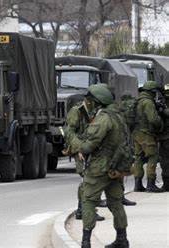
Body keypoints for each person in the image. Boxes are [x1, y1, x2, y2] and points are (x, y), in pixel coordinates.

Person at [70, 84, 129, 248]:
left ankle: (86, 242)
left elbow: (89, 144)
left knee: (88, 201)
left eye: (91, 101)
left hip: (99, 168)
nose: (89, 104)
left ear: (97, 102)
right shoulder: (119, 116)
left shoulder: (103, 118)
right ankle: (122, 239)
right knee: (116, 202)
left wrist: (78, 145)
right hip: (116, 167)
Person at [64, 103, 105, 221]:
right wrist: (78, 150)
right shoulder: (77, 111)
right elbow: (70, 133)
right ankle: (85, 210)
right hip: (81, 150)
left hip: (88, 150)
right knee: (87, 181)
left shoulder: (91, 111)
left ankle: (82, 210)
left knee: (88, 181)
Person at [132, 81, 163, 192]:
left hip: (136, 133)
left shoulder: (138, 101)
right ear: (152, 92)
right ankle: (151, 184)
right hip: (147, 134)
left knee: (139, 158)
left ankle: (138, 184)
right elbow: (153, 119)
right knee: (153, 156)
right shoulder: (148, 102)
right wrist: (160, 122)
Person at [159, 83, 169, 191]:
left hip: (166, 137)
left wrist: (163, 111)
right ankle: (166, 184)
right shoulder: (163, 102)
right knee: (165, 162)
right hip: (165, 137)